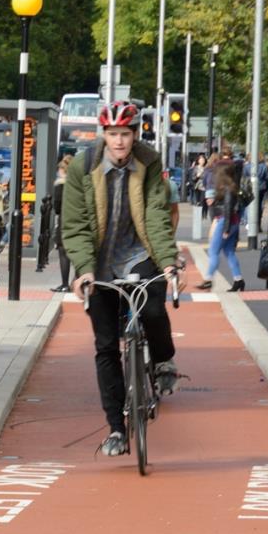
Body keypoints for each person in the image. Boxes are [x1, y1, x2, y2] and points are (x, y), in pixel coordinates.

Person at [63, 100, 181, 457]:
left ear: (135, 134)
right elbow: (75, 225)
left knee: (155, 310)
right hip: (98, 263)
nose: (119, 142)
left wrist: (169, 263)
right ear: (104, 135)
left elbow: (157, 216)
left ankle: (163, 360)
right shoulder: (83, 166)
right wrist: (83, 270)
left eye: (125, 134)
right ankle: (116, 427)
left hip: (137, 253)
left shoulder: (148, 161)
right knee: (105, 345)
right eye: (113, 134)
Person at [195, 158, 244, 291]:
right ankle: (238, 279)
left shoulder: (226, 189)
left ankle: (208, 279)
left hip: (224, 220)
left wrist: (226, 228)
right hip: (232, 221)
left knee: (213, 250)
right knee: (229, 252)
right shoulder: (232, 187)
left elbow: (227, 208)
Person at [50, 154, 73, 292]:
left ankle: (65, 283)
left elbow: (57, 207)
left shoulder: (60, 186)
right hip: (77, 221)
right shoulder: (78, 184)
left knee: (63, 253)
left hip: (64, 221)